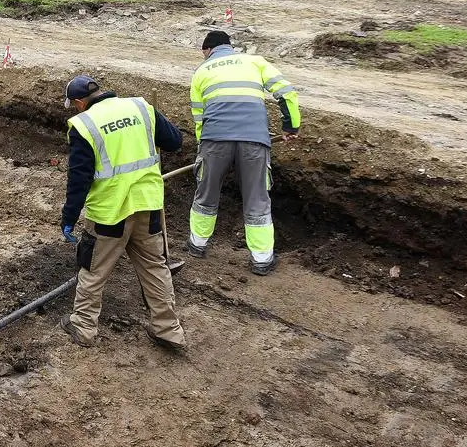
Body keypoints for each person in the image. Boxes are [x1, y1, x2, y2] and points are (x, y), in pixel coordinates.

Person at [59, 74, 187, 351]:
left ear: (80, 102)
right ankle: (168, 330)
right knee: (155, 268)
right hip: (148, 204)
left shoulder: (83, 125)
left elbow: (78, 179)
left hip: (110, 213)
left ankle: (83, 327)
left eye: (74, 105)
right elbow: (175, 141)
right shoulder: (141, 107)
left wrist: (69, 218)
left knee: (93, 270)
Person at [187, 30, 301, 276]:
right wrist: (290, 126)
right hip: (254, 140)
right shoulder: (255, 62)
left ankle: (197, 245)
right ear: (230, 46)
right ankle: (261, 260)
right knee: (257, 199)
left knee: (206, 194)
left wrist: (203, 150)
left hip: (214, 139)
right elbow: (286, 92)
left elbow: (199, 118)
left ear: (207, 50)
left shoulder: (201, 72)